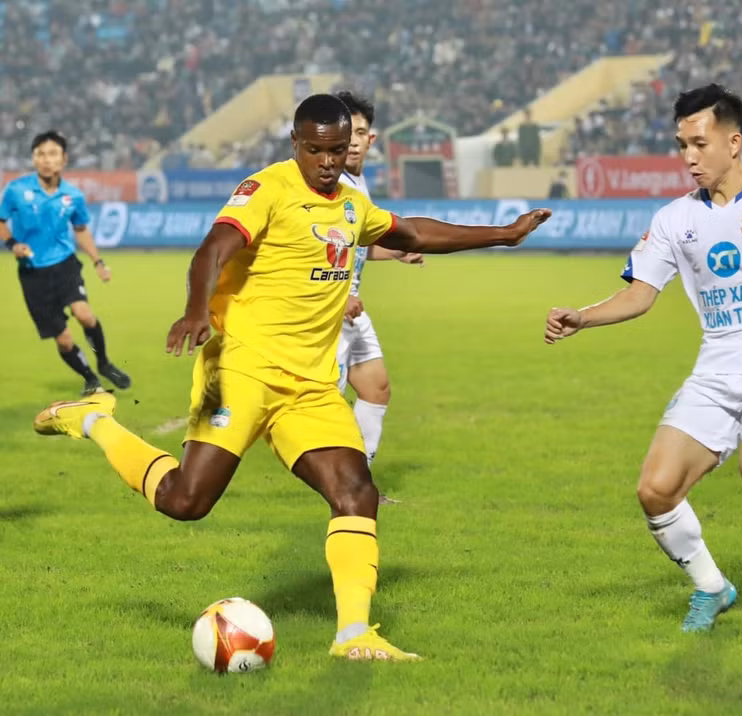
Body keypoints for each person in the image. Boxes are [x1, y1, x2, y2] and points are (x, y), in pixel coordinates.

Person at [33, 94, 551, 661]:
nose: (327, 162)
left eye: (337, 150)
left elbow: (412, 233)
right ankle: (95, 420)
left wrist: (503, 234)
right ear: (295, 144)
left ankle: (354, 635)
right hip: (240, 369)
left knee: (356, 492)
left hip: (309, 385)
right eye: (315, 150)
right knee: (186, 500)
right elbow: (212, 250)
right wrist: (196, 310)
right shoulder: (267, 190)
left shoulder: (350, 205)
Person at [544, 84, 742, 632]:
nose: (689, 157)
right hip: (716, 371)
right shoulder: (673, 220)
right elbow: (640, 294)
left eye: (700, 144)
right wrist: (583, 317)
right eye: (682, 145)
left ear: (733, 143)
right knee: (655, 490)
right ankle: (712, 587)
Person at [334, 91, 423, 503]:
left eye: (360, 133)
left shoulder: (357, 182)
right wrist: (339, 296)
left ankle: (360, 483)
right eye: (346, 133)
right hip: (330, 310)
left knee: (376, 388)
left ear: (371, 139)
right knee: (321, 404)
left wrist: (396, 253)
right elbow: (317, 246)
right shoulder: (331, 183)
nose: (353, 141)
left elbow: (356, 244)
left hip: (352, 307)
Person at [0, 131, 132, 395]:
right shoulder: (16, 190)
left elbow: (81, 229)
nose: (46, 160)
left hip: (65, 266)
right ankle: (90, 378)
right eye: (40, 154)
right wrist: (13, 244)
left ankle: (104, 363)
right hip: (33, 274)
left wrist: (97, 261)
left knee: (85, 314)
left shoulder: (73, 195)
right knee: (63, 339)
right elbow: (1, 221)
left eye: (52, 154)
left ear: (64, 159)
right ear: (33, 159)